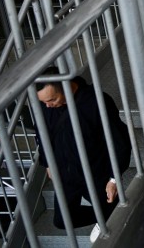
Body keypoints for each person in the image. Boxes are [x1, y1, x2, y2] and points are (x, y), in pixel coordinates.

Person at [36, 71, 132, 229]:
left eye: (52, 99)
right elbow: (41, 133)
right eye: (44, 102)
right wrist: (47, 162)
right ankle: (102, 219)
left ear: (67, 86)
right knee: (62, 221)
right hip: (66, 173)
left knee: (116, 215)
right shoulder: (45, 104)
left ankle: (106, 220)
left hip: (95, 172)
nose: (48, 106)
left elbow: (120, 141)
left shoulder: (97, 102)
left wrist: (114, 178)